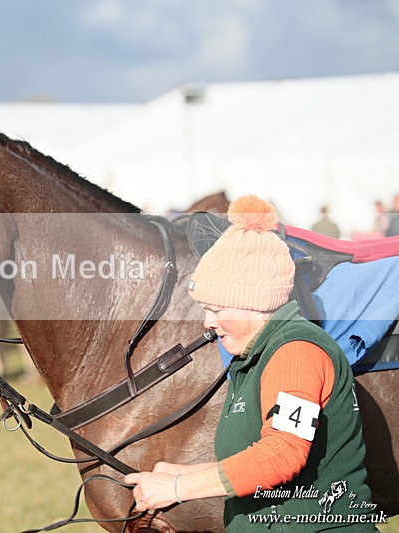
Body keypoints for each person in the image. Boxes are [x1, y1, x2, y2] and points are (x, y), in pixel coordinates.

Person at [125, 195, 376, 530]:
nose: (207, 322)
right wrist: (181, 475)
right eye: (205, 309)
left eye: (217, 308)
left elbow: (282, 455)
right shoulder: (255, 355)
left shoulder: (297, 352)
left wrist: (178, 488)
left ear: (254, 304)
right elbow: (259, 456)